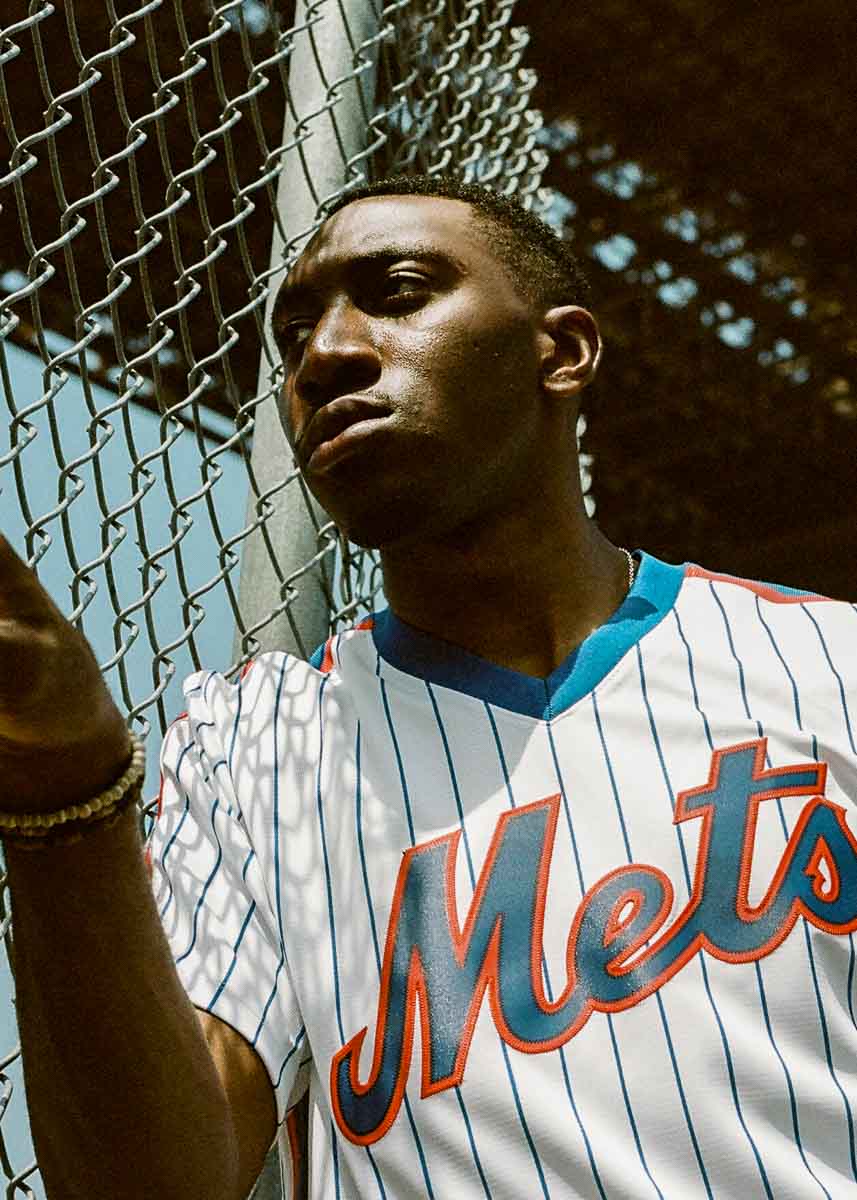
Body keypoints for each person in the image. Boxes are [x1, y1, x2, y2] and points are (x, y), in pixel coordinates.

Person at [1, 174, 856, 1200]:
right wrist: (67, 797)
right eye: (292, 336)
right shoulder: (253, 745)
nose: (325, 355)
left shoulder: (828, 663)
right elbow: (149, 1184)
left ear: (562, 351)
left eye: (398, 293)